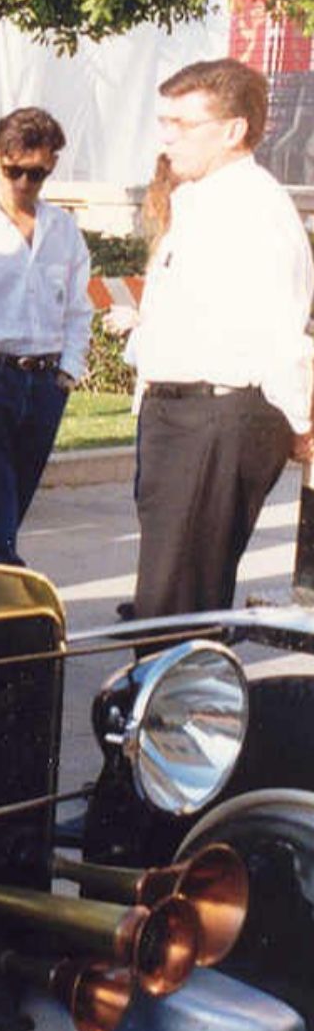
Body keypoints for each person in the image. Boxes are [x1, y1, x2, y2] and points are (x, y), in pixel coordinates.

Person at [126, 59, 314, 619]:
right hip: (181, 417)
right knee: (167, 604)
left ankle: (175, 707)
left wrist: (302, 425)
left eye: (183, 123)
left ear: (233, 130)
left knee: (175, 611)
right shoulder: (201, 202)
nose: (166, 137)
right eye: (164, 121)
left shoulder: (253, 208)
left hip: (215, 417)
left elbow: (279, 330)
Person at [0, 107, 92, 566]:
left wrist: (67, 371)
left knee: (4, 514)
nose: (26, 183)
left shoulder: (63, 230)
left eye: (38, 174)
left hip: (43, 384)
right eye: (16, 171)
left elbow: (77, 309)